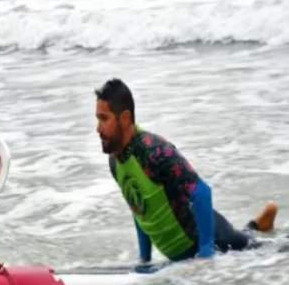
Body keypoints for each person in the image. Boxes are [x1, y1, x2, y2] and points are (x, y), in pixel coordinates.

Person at [94, 78, 278, 263]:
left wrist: (206, 254)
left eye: (104, 119)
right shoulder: (116, 162)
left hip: (213, 240)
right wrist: (145, 259)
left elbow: (202, 192)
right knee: (249, 246)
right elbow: (141, 210)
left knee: (273, 253)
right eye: (98, 118)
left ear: (125, 118)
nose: (98, 128)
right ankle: (256, 225)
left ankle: (257, 229)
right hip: (184, 255)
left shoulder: (154, 152)